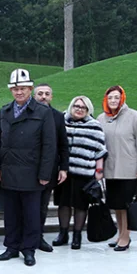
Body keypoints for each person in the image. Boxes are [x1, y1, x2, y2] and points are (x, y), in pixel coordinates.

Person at [0, 69, 56, 267]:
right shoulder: (5, 111)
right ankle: (11, 246)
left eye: (23, 89)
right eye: (15, 89)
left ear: (30, 89)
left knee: (31, 214)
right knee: (11, 213)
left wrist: (45, 173)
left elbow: (49, 145)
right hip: (9, 171)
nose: (19, 92)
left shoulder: (43, 112)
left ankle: (28, 249)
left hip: (32, 172)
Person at [97, 86, 137, 252]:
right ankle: (121, 233)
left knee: (126, 205)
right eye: (110, 97)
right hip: (111, 170)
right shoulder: (101, 118)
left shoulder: (135, 117)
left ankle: (126, 236)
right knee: (117, 205)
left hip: (129, 170)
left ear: (122, 98)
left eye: (116, 97)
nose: (113, 100)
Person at [54, 96, 107, 250]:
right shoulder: (62, 122)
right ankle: (62, 233)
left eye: (83, 107)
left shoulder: (95, 126)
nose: (78, 109)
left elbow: (100, 150)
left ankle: (77, 235)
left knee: (80, 205)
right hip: (64, 172)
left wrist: (99, 170)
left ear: (88, 110)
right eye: (76, 106)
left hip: (84, 172)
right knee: (63, 204)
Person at [32, 83, 69, 252]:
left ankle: (38, 237)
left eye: (47, 94)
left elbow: (63, 144)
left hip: (50, 169)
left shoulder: (57, 117)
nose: (43, 97)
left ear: (51, 97)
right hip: (28, 168)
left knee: (42, 206)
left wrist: (64, 168)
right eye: (40, 93)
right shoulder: (27, 113)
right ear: (34, 96)